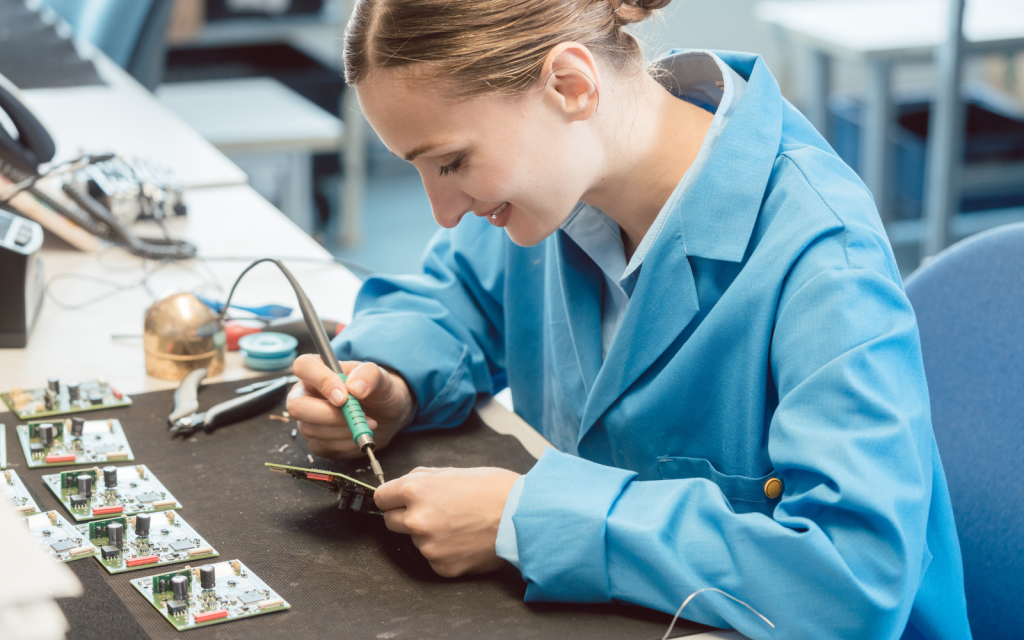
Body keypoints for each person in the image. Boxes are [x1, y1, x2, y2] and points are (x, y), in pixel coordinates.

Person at [285, 0, 972, 637]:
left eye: (453, 162)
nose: (443, 209)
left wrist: (526, 519)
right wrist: (391, 382)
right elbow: (447, 300)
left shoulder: (822, 258)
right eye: (420, 169)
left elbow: (853, 580)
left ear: (571, 86)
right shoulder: (554, 184)